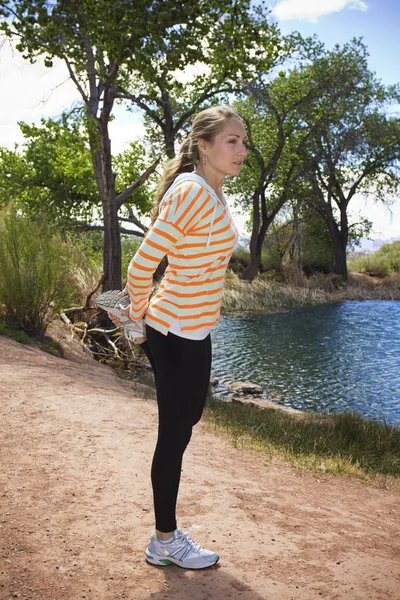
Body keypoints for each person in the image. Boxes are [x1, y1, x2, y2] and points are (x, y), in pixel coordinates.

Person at [107, 105, 247, 569]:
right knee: (173, 434)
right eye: (231, 141)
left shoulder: (213, 192)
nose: (241, 150)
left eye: (243, 142)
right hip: (176, 329)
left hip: (193, 328)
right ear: (203, 146)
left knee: (188, 421)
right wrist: (141, 319)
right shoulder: (191, 192)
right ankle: (164, 541)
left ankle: (165, 536)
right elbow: (141, 265)